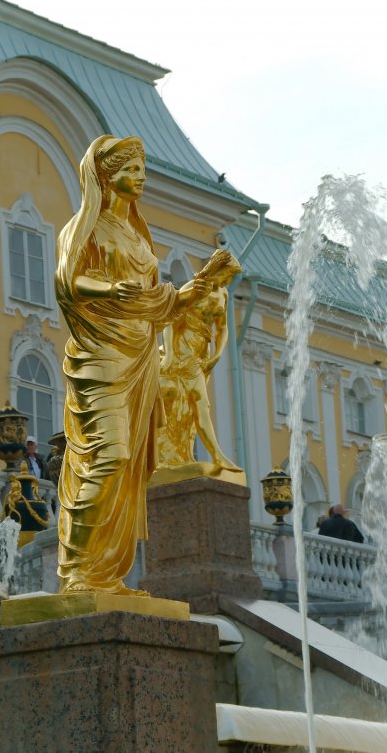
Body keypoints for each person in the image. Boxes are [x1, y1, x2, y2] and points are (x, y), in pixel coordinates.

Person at [55, 134, 213, 595]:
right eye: (130, 169)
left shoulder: (141, 241)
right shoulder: (83, 226)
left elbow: (158, 306)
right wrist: (109, 291)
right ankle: (76, 570)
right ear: (105, 176)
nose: (140, 176)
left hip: (140, 355)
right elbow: (68, 283)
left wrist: (199, 287)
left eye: (143, 168)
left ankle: (105, 572)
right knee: (109, 456)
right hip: (100, 352)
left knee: (128, 473)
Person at [157, 250, 243, 473]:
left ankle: (184, 455)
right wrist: (167, 354)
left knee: (189, 409)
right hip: (182, 354)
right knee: (198, 404)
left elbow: (223, 329)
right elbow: (170, 320)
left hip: (201, 356)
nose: (228, 282)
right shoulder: (194, 288)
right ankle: (216, 456)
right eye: (227, 276)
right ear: (219, 271)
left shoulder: (223, 295)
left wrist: (217, 355)